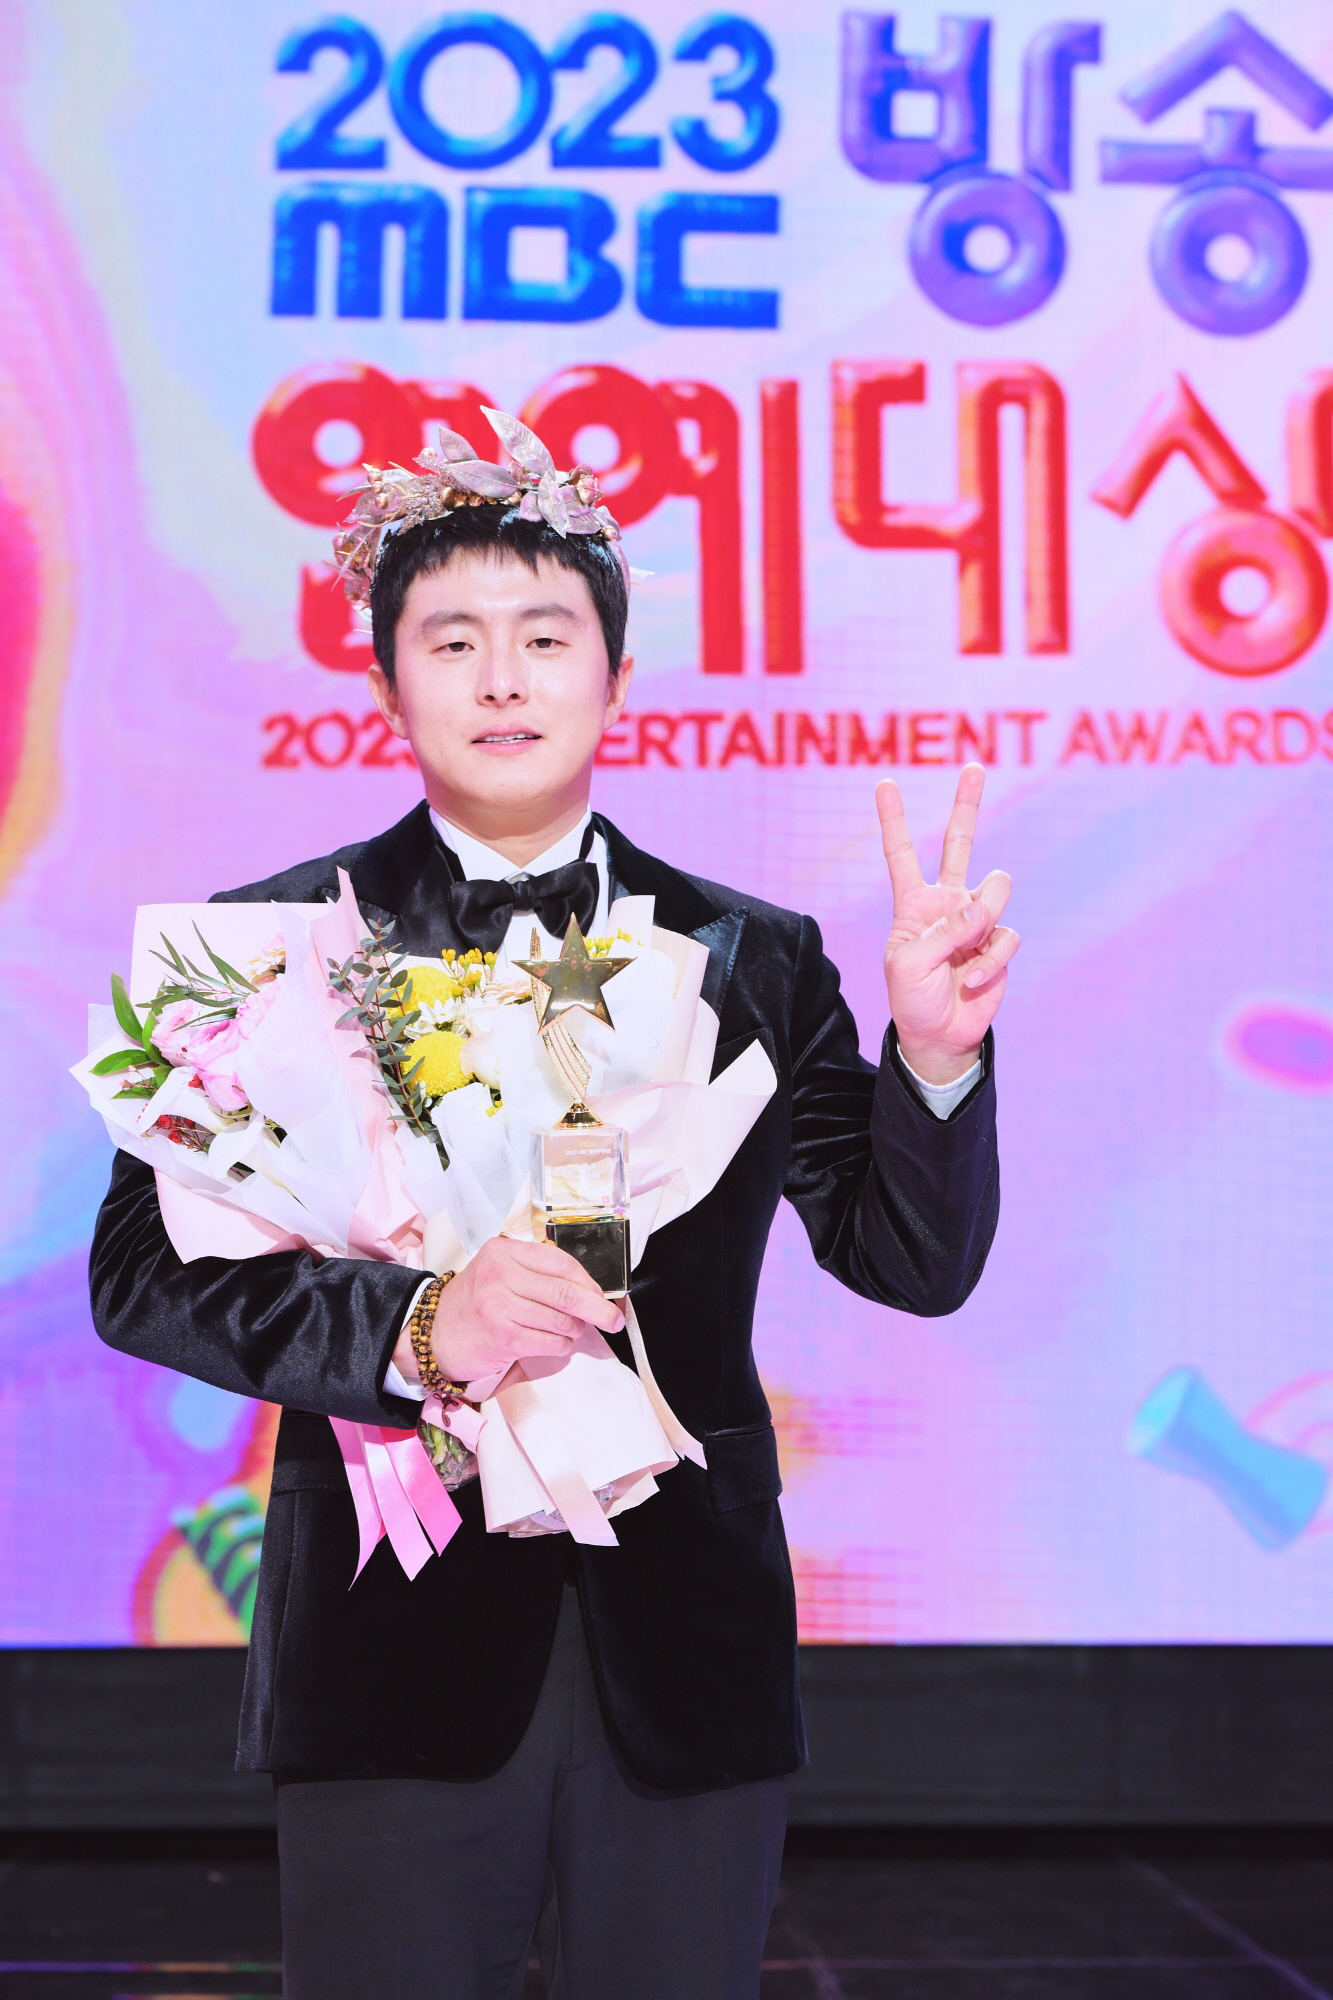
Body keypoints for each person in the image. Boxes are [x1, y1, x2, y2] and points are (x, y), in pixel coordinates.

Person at [89, 416, 1017, 2000]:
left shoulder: (752, 956)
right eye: (453, 641)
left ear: (616, 677)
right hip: (389, 1640)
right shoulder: (256, 946)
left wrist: (934, 1059)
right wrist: (416, 1327)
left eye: (543, 637)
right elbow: (139, 1277)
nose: (501, 679)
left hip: (687, 1642)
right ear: (386, 685)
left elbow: (909, 1261)